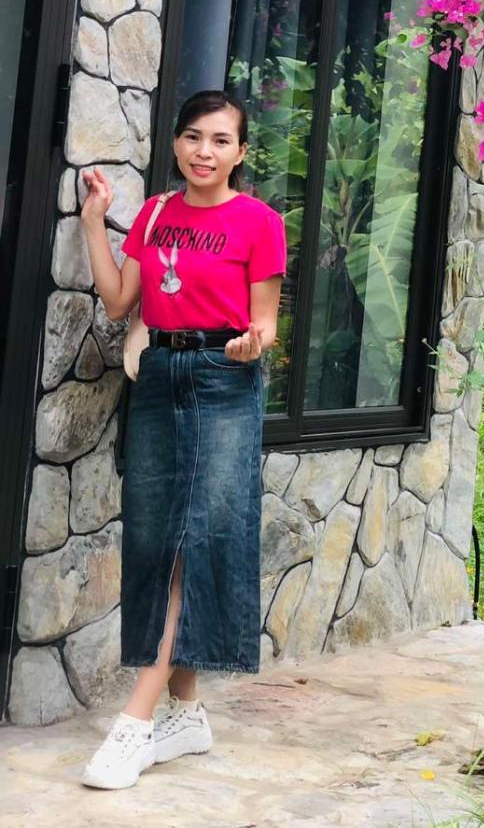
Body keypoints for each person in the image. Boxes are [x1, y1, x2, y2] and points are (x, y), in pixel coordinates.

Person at [77, 90, 286, 790]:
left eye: (221, 140)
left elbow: (265, 322)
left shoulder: (258, 223)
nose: (205, 151)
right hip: (160, 375)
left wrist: (253, 344)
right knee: (155, 540)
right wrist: (94, 223)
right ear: (176, 143)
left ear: (241, 152)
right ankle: (187, 712)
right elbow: (119, 301)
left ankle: (135, 721)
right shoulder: (158, 214)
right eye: (194, 137)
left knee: (198, 540)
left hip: (223, 378)